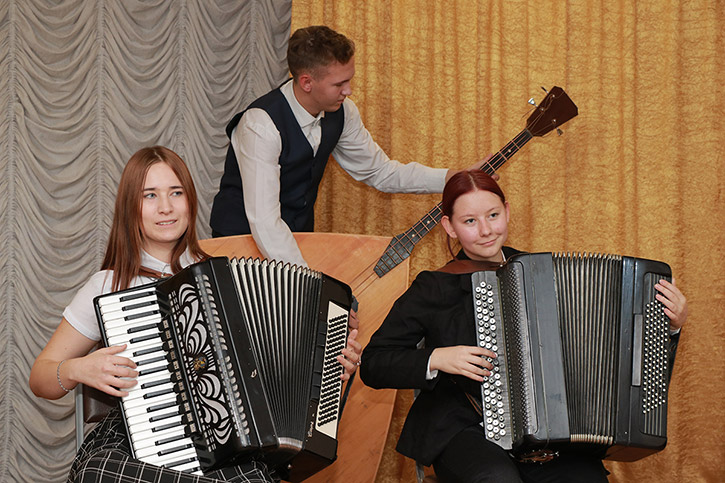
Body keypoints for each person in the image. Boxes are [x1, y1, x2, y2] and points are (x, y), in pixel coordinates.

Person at [29, 146, 363, 482]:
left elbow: (276, 372)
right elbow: (41, 378)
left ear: (190, 201)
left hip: (225, 443)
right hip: (134, 443)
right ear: (130, 206)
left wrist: (329, 368)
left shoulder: (228, 280)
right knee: (97, 474)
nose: (166, 207)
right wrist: (77, 368)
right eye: (149, 195)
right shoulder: (108, 284)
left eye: (176, 193)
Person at [359, 170, 688, 483]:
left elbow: (619, 353)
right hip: (464, 426)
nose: (486, 230)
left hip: (550, 429)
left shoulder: (545, 273)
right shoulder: (434, 286)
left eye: (493, 215)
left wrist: (669, 327)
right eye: (470, 221)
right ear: (450, 226)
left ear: (507, 211)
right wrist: (438, 358)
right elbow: (374, 363)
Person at [210, 25, 491, 267]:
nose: (349, 91)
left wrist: (452, 177)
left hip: (295, 242)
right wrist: (308, 279)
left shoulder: (343, 112)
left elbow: (381, 172)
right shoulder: (260, 125)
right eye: (339, 84)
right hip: (239, 244)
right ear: (306, 82)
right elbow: (264, 220)